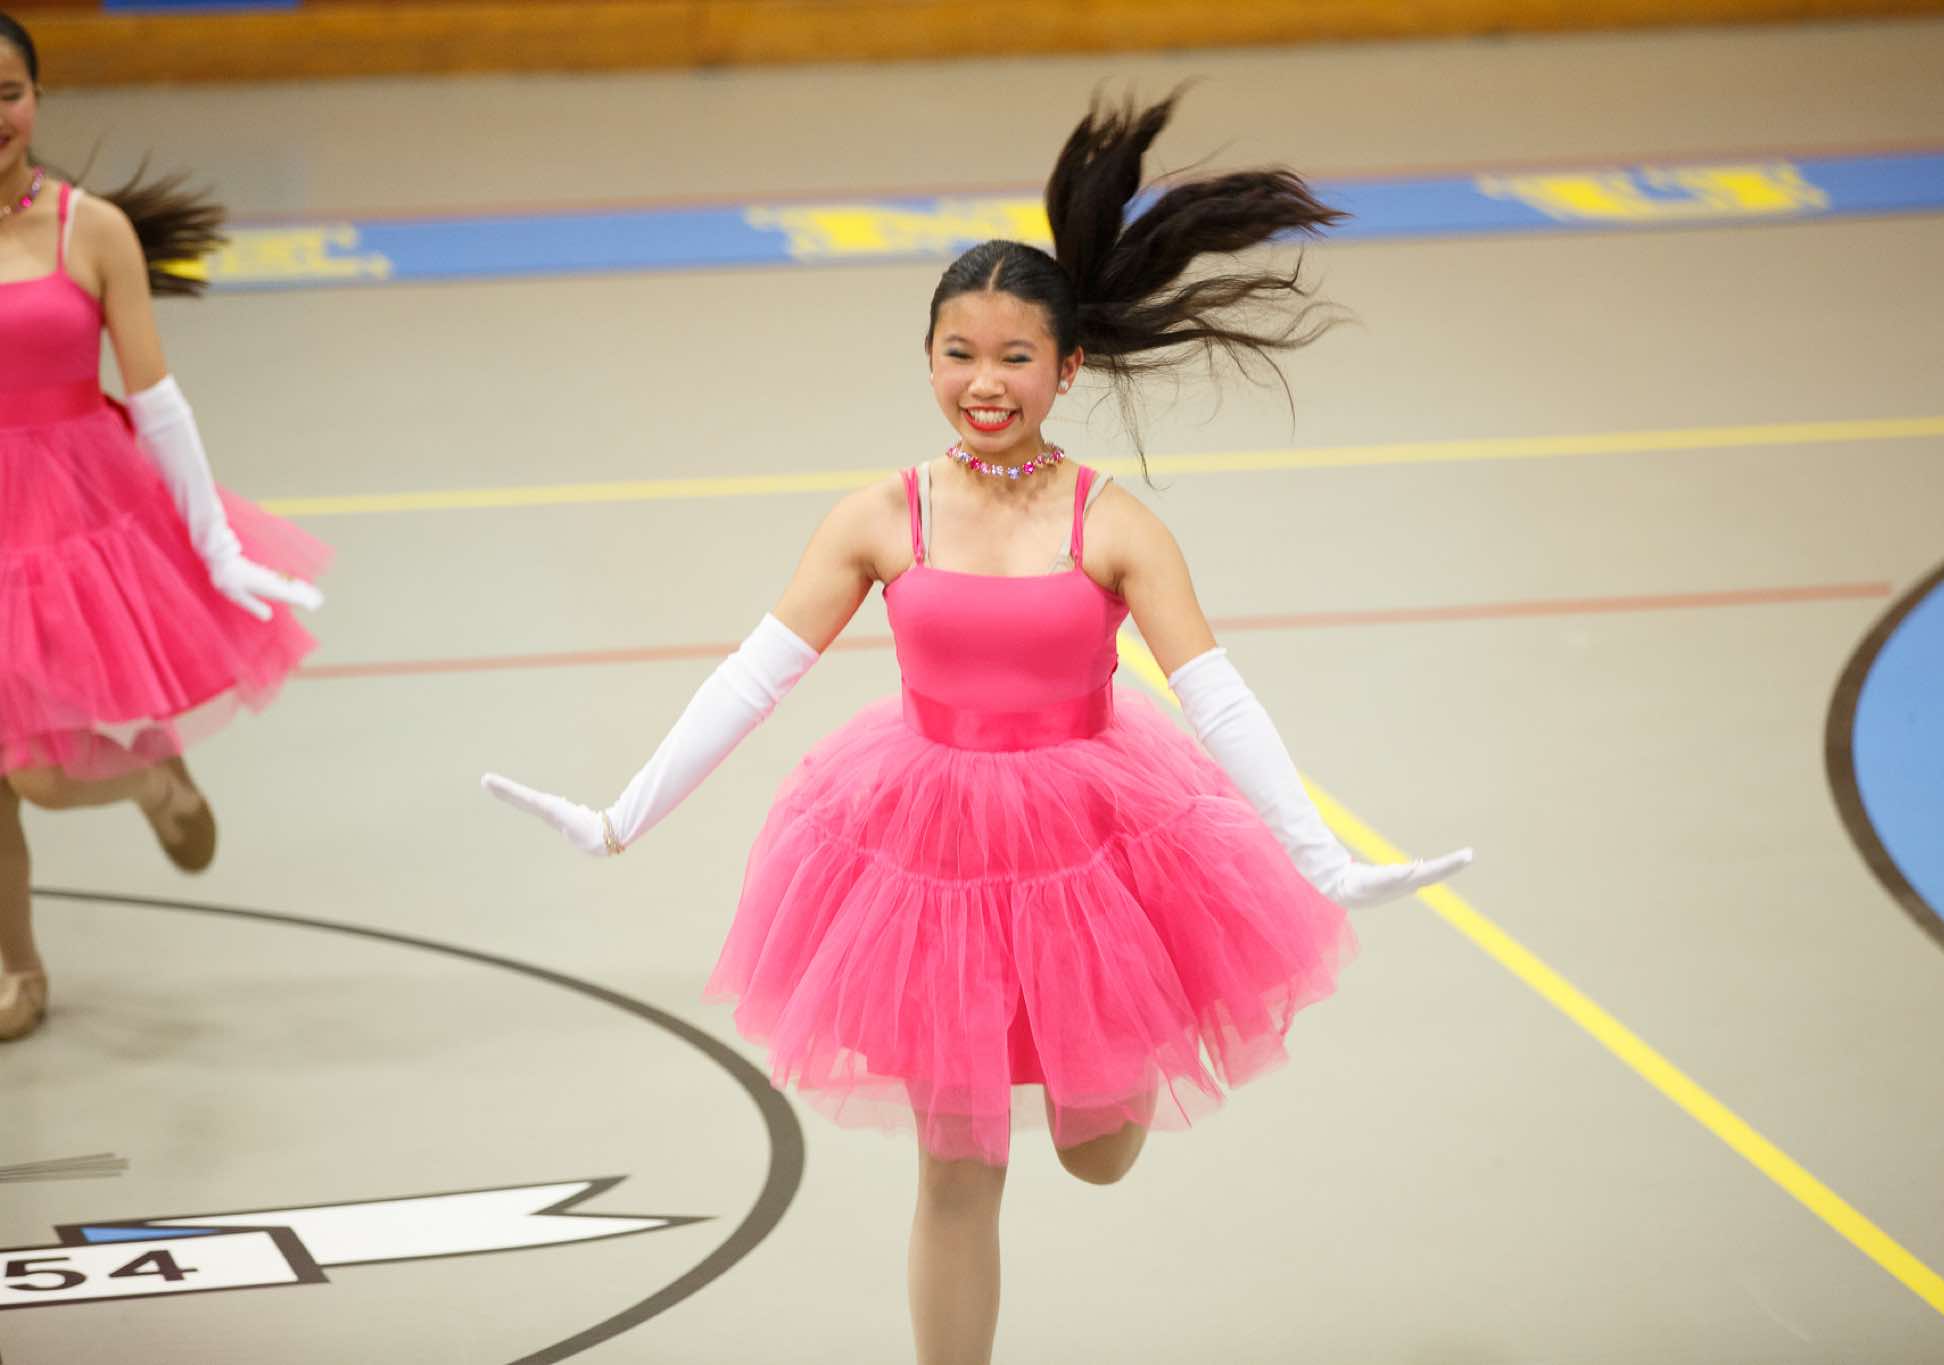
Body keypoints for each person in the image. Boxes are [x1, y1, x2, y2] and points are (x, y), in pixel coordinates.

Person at [485, 92, 1470, 1364]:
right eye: (958, 353)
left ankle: (1099, 1062)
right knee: (956, 1168)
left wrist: (1319, 855)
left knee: (1096, 1151)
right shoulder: (877, 516)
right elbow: (752, 675)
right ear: (927, 359)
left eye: (1014, 358)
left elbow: (1215, 695)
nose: (984, 383)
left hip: (1091, 842)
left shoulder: (1115, 525)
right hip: (926, 852)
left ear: (1068, 369)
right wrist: (623, 816)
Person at [0, 11, 328, 1043]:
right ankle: (17, 966)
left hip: (74, 514)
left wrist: (216, 543)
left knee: (37, 771)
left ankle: (150, 779)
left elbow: (157, 401)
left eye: (8, 94)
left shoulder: (92, 230)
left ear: (37, 99)